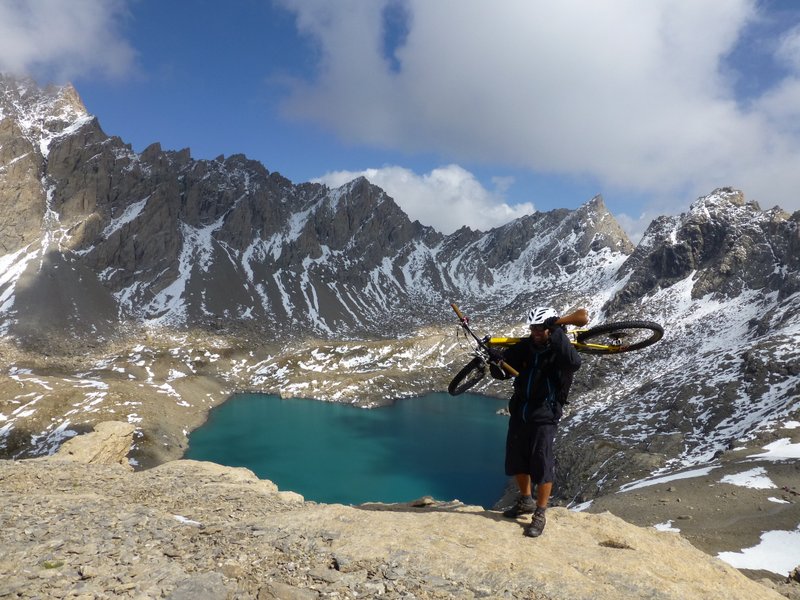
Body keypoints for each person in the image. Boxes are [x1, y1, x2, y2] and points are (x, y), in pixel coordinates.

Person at [491, 306, 582, 537]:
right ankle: (525, 501)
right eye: (533, 328)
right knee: (516, 460)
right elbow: (502, 373)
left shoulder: (560, 351)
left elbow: (573, 363)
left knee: (542, 464)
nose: (536, 332)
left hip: (545, 414)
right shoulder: (525, 347)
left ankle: (540, 513)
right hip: (521, 412)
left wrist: (557, 330)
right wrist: (496, 362)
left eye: (541, 328)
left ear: (550, 328)